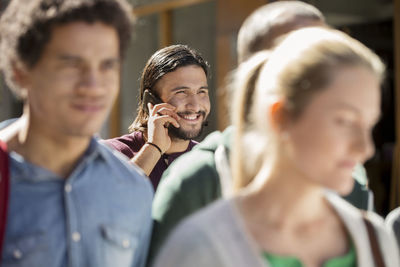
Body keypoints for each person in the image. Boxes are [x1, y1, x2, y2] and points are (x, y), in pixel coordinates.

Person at [148, 1, 374, 263]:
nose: (323, 74)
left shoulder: (349, 178)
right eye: (303, 59)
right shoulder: (199, 179)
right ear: (255, 72)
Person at [0, 0, 153, 266]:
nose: (93, 86)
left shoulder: (133, 188)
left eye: (107, 65)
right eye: (72, 64)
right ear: (20, 71)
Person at [104, 44, 210, 190]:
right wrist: (154, 148)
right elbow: (108, 203)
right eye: (181, 92)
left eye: (201, 92)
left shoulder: (211, 161)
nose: (195, 106)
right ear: (151, 100)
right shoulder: (111, 153)